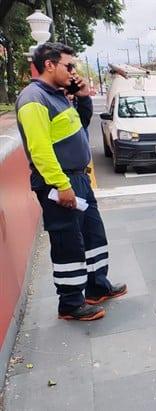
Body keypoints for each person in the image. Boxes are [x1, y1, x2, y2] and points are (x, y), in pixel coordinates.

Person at [15, 43, 126, 321]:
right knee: (68, 242)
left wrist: (84, 97)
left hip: (78, 179)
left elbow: (81, 124)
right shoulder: (34, 99)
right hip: (59, 182)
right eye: (69, 66)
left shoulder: (58, 96)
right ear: (49, 65)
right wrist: (60, 184)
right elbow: (40, 150)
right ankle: (70, 304)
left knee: (92, 235)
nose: (74, 72)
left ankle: (96, 287)